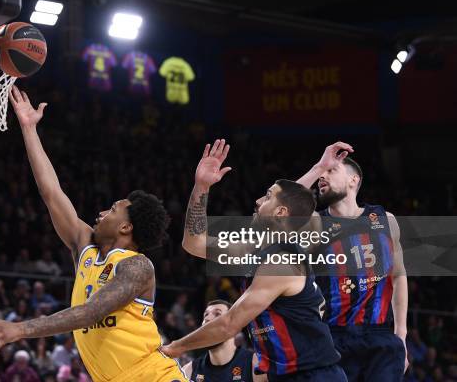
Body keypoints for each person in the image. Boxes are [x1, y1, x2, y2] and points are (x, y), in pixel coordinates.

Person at [0, 86, 187, 382]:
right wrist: (29, 128)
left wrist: (21, 329)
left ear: (126, 227)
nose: (101, 213)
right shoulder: (85, 249)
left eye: (112, 209)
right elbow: (51, 193)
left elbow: (91, 312)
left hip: (153, 376)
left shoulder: (137, 265)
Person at [162, 140, 346, 381]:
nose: (258, 201)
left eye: (267, 196)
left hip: (313, 375)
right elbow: (194, 242)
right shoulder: (257, 249)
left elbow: (228, 324)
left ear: (280, 213)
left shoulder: (281, 263)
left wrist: (173, 348)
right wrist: (202, 187)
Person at [295, 142, 408, 381]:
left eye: (331, 171)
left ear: (353, 180)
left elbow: (398, 277)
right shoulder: (315, 224)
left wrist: (401, 335)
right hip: (333, 337)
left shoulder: (385, 220)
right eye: (321, 175)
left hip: (381, 338)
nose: (322, 178)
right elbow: (278, 207)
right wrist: (318, 166)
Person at [182, 300, 253, 382]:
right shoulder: (188, 372)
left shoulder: (255, 365)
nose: (207, 318)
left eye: (217, 314)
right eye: (206, 315)